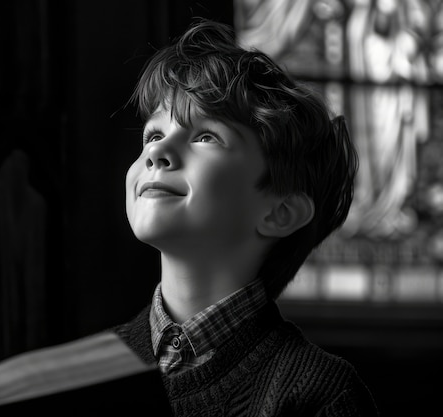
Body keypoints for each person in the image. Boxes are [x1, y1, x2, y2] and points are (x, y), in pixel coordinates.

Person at [114, 19, 378, 416]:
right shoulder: (92, 370)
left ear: (280, 212)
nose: (157, 151)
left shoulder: (320, 396)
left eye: (205, 136)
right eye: (153, 135)